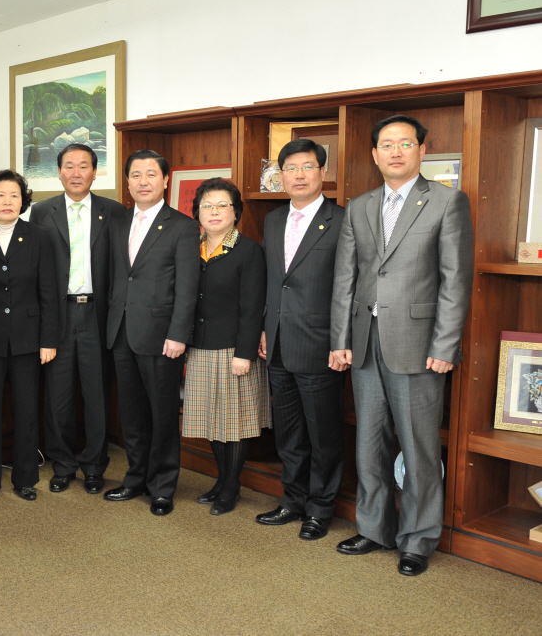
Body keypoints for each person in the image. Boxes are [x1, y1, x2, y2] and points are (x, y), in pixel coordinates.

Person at [330, 115, 474, 576]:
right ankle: (373, 529)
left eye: (405, 144)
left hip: (419, 345)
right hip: (365, 344)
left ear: (421, 151)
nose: (395, 151)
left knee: (418, 448)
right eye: (386, 145)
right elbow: (345, 280)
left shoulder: (447, 202)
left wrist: (446, 345)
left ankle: (417, 539)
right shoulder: (359, 205)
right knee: (368, 445)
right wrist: (341, 340)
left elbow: (455, 282)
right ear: (374, 155)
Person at [255, 139, 346, 540]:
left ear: (322, 173)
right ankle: (292, 500)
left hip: (321, 345)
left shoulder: (343, 220)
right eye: (291, 168)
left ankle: (321, 508)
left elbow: (349, 288)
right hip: (276, 342)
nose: (299, 175)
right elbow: (273, 282)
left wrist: (341, 341)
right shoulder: (273, 220)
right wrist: (263, 327)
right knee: (288, 432)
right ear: (281, 175)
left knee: (323, 434)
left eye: (308, 166)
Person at [104, 149, 200, 516]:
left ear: (165, 180)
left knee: (162, 415)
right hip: (122, 332)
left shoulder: (183, 225)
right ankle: (135, 478)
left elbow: (188, 287)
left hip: (162, 337)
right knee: (131, 415)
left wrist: (179, 334)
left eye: (150, 174)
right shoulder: (117, 222)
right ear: (127, 183)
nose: (143, 181)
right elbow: (117, 277)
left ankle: (162, 486)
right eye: (136, 175)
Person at [30, 143, 125, 495]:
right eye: (68, 166)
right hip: (58, 312)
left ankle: (95, 465)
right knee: (58, 395)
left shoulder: (113, 212)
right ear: (58, 172)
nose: (75, 172)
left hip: (97, 313)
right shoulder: (41, 212)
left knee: (97, 392)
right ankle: (64, 463)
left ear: (94, 172)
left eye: (83, 166)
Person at [182, 178, 269, 516]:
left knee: (234, 423)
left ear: (236, 212)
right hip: (201, 347)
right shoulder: (191, 246)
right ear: (197, 212)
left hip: (234, 350)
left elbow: (253, 306)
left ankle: (231, 485)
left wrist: (245, 353)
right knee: (211, 420)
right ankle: (221, 480)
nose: (214, 211)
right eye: (207, 205)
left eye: (222, 205)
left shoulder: (248, 250)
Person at [0, 169, 59, 502]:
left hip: (28, 339)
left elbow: (48, 290)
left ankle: (25, 478)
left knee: (26, 411)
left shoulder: (38, 236)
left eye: (14, 195)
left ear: (23, 201)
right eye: (0, 195)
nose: (7, 201)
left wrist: (49, 339)